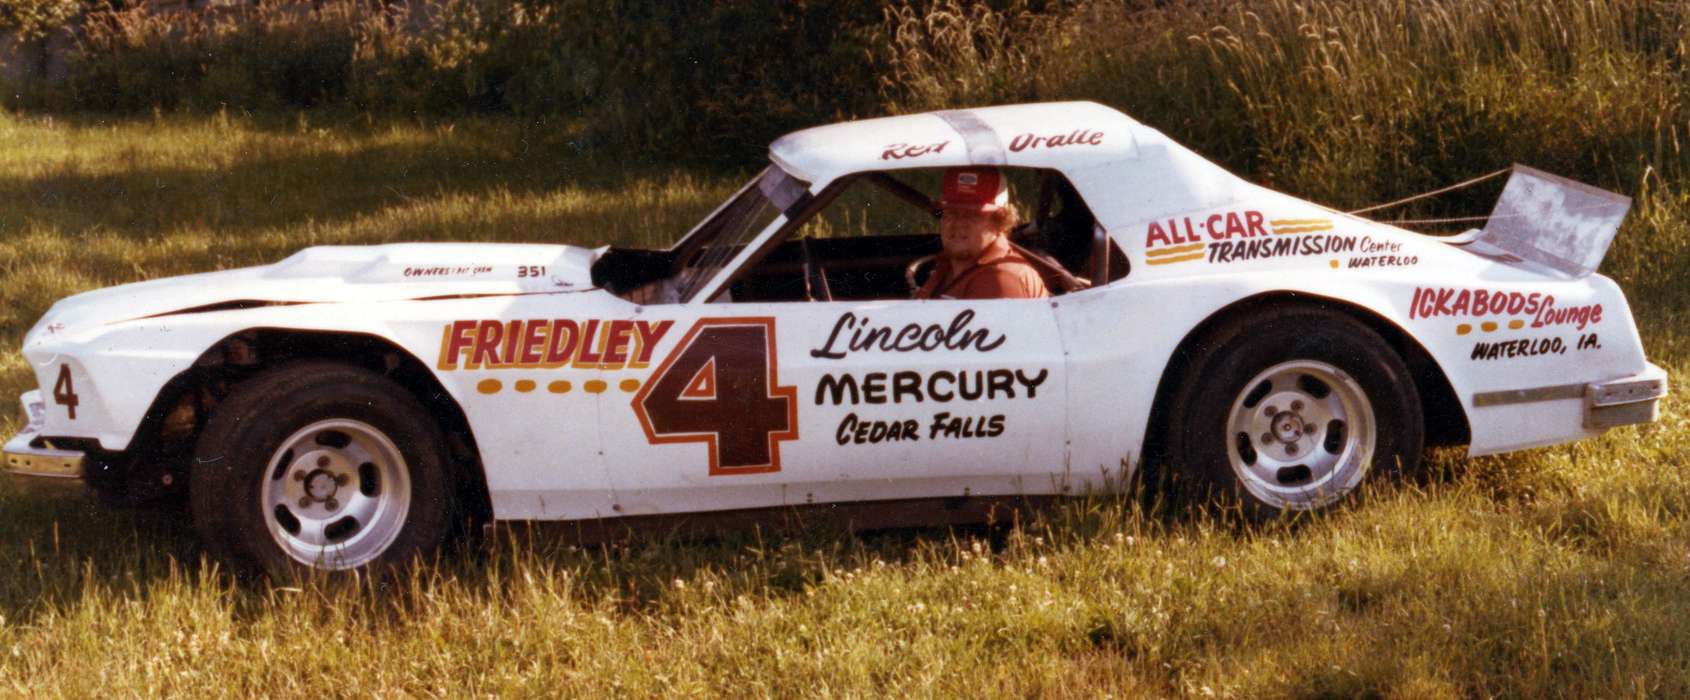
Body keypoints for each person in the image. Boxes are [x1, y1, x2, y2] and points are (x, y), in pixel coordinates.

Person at [913, 167, 1050, 300]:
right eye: (951, 213)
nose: (959, 223)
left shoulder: (999, 279)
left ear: (1000, 222)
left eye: (973, 215)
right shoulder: (949, 264)